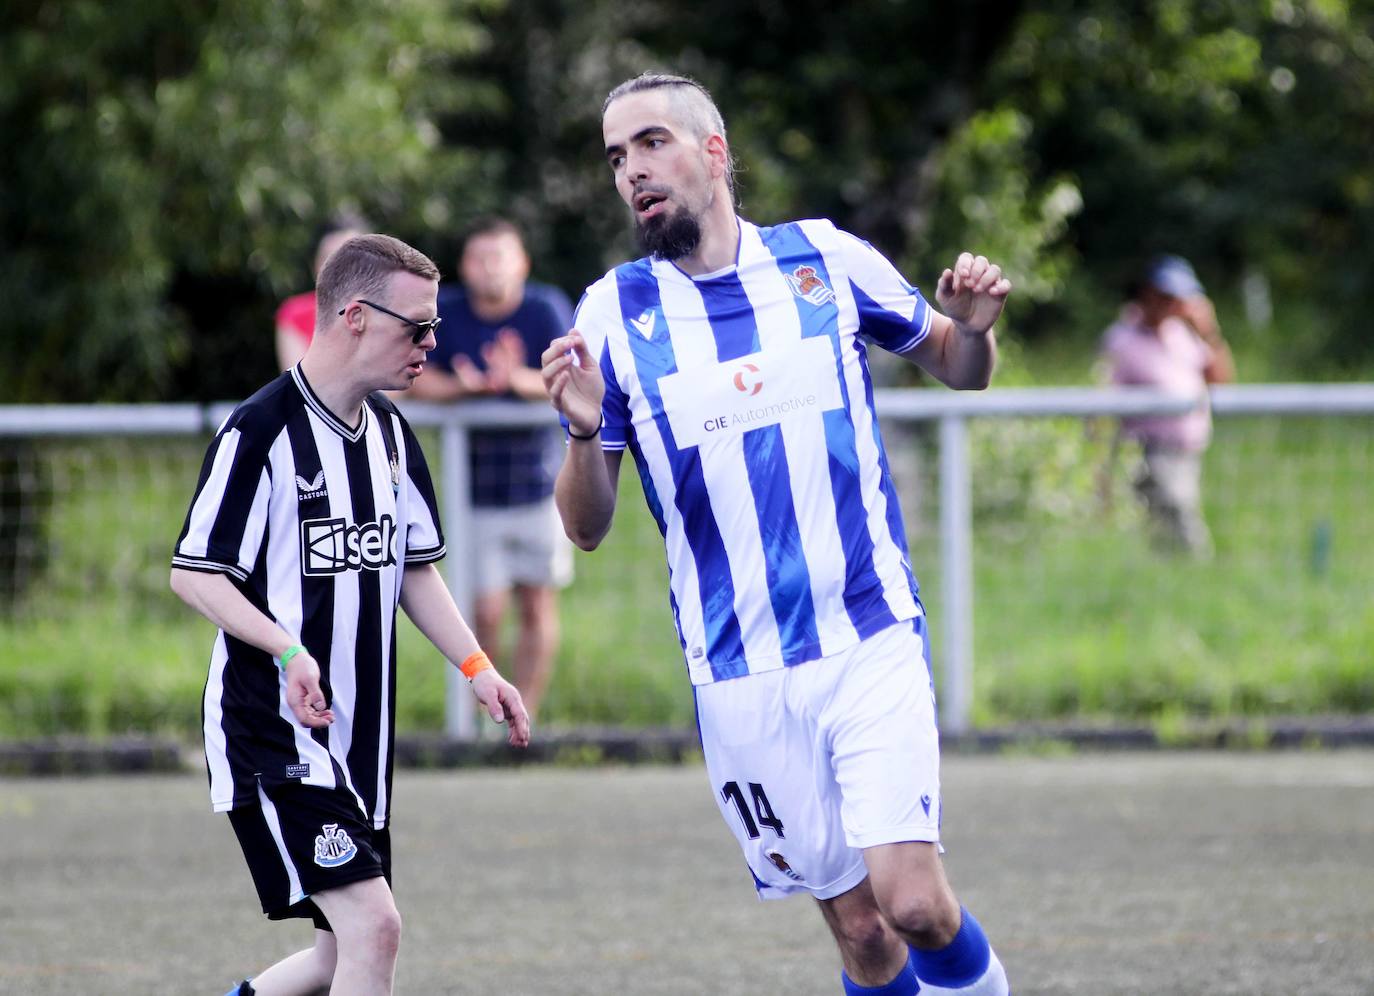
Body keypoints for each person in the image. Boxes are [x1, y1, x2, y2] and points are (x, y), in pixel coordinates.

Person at [540, 73, 1011, 996]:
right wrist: (586, 431)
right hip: (739, 670)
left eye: (651, 144)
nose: (632, 171)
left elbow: (959, 366)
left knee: (913, 902)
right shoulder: (612, 314)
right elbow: (585, 528)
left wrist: (974, 330)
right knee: (865, 935)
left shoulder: (824, 259)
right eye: (615, 157)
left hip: (866, 632)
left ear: (714, 154)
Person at [171, 233, 530, 996]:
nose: (432, 344)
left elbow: (414, 573)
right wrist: (287, 650)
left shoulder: (392, 435)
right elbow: (194, 575)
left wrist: (479, 668)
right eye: (418, 328)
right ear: (357, 317)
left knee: (341, 953)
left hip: (359, 739)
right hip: (274, 728)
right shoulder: (260, 431)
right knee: (377, 929)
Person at [405, 217, 574, 721]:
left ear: (522, 262)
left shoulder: (545, 308)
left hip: (541, 487)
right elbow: (417, 380)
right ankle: (486, 719)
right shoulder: (448, 312)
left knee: (538, 607)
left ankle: (530, 718)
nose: (490, 268)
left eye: (500, 256)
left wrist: (512, 380)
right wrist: (469, 388)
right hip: (471, 493)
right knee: (482, 613)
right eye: (479, 257)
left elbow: (568, 376)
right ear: (464, 265)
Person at [1100, 253, 1235, 557]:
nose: (1172, 304)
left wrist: (1209, 332)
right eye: (1165, 295)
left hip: (1189, 452)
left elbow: (1220, 381)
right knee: (1184, 528)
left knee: (1166, 534)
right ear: (1148, 292)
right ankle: (1199, 576)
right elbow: (1104, 399)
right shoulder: (1120, 339)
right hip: (1151, 452)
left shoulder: (1184, 335)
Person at [274, 218, 367, 371]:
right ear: (314, 266)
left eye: (350, 259)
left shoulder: (391, 311)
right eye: (329, 259)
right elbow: (301, 382)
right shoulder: (295, 313)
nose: (339, 268)